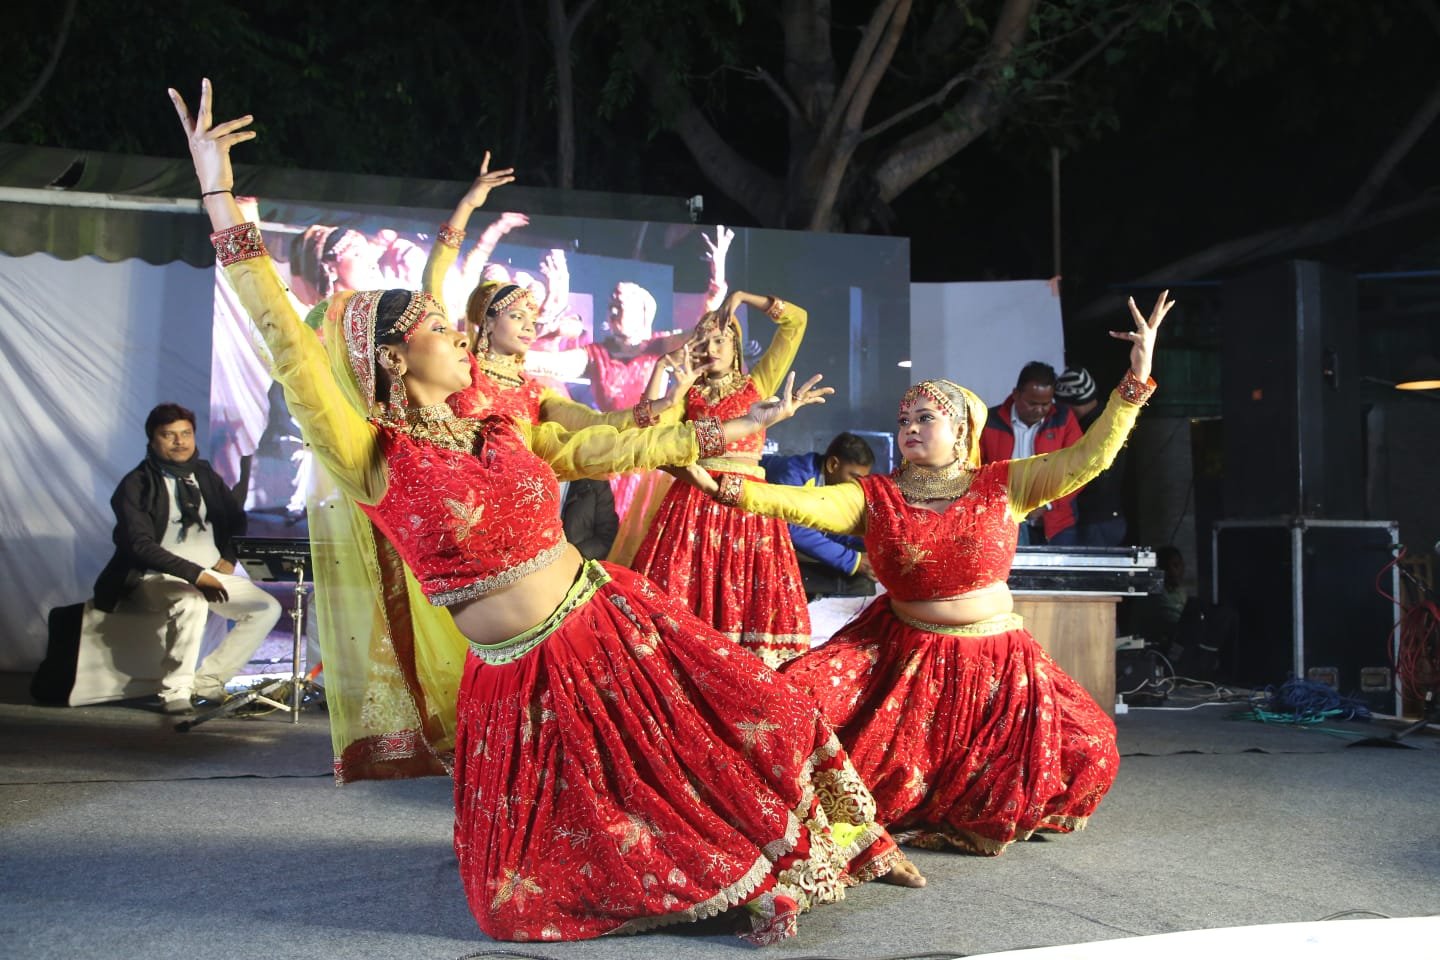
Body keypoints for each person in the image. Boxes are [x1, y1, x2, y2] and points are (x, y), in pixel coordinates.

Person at [170, 80, 919, 945]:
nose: (462, 336)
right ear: (393, 357)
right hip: (515, 674)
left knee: (758, 713)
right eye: (442, 330)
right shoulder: (371, 453)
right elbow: (287, 344)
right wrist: (218, 195)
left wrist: (709, 434)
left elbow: (603, 449)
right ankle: (721, 872)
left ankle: (846, 843)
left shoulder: (502, 418)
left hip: (606, 619)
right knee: (519, 896)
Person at [674, 291, 1172, 855]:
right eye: (904, 420)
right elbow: (795, 503)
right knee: (788, 712)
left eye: (925, 417)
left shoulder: (1006, 483)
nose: (910, 427)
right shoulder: (876, 496)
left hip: (997, 668)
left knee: (1092, 748)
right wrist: (718, 484)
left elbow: (1089, 458)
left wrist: (1135, 382)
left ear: (960, 428)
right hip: (902, 657)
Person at [630, 291, 814, 667]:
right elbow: (647, 430)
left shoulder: (757, 384)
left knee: (748, 592)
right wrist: (661, 368)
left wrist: (742, 297)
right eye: (703, 342)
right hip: (693, 498)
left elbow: (796, 322)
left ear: (736, 346)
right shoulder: (687, 394)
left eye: (720, 340)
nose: (711, 349)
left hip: (748, 500)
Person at [92, 402, 282, 712]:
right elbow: (138, 545)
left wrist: (229, 558)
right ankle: (175, 693)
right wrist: (195, 575)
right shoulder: (136, 483)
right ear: (153, 439)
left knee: (265, 608)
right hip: (154, 577)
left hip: (209, 573)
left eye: (186, 434)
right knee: (191, 601)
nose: (180, 442)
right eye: (169, 435)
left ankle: (208, 681)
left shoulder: (204, 474)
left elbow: (235, 518)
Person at [980, 361, 1083, 546]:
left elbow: (1079, 470)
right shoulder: (989, 421)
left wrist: (1048, 505)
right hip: (1002, 521)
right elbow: (976, 470)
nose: (1039, 410)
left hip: (1057, 524)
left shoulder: (1064, 419)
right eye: (1032, 403)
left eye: (1046, 404)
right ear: (1016, 394)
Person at [761, 433, 877, 598]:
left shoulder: (832, 486)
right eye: (854, 477)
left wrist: (867, 540)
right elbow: (793, 529)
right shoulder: (795, 474)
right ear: (832, 465)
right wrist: (854, 561)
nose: (858, 486)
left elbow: (828, 528)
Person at [1055, 366, 1127, 547]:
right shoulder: (1106, 419)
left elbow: (1096, 476)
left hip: (1095, 520)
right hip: (1106, 517)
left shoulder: (1097, 429)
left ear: (1069, 403)